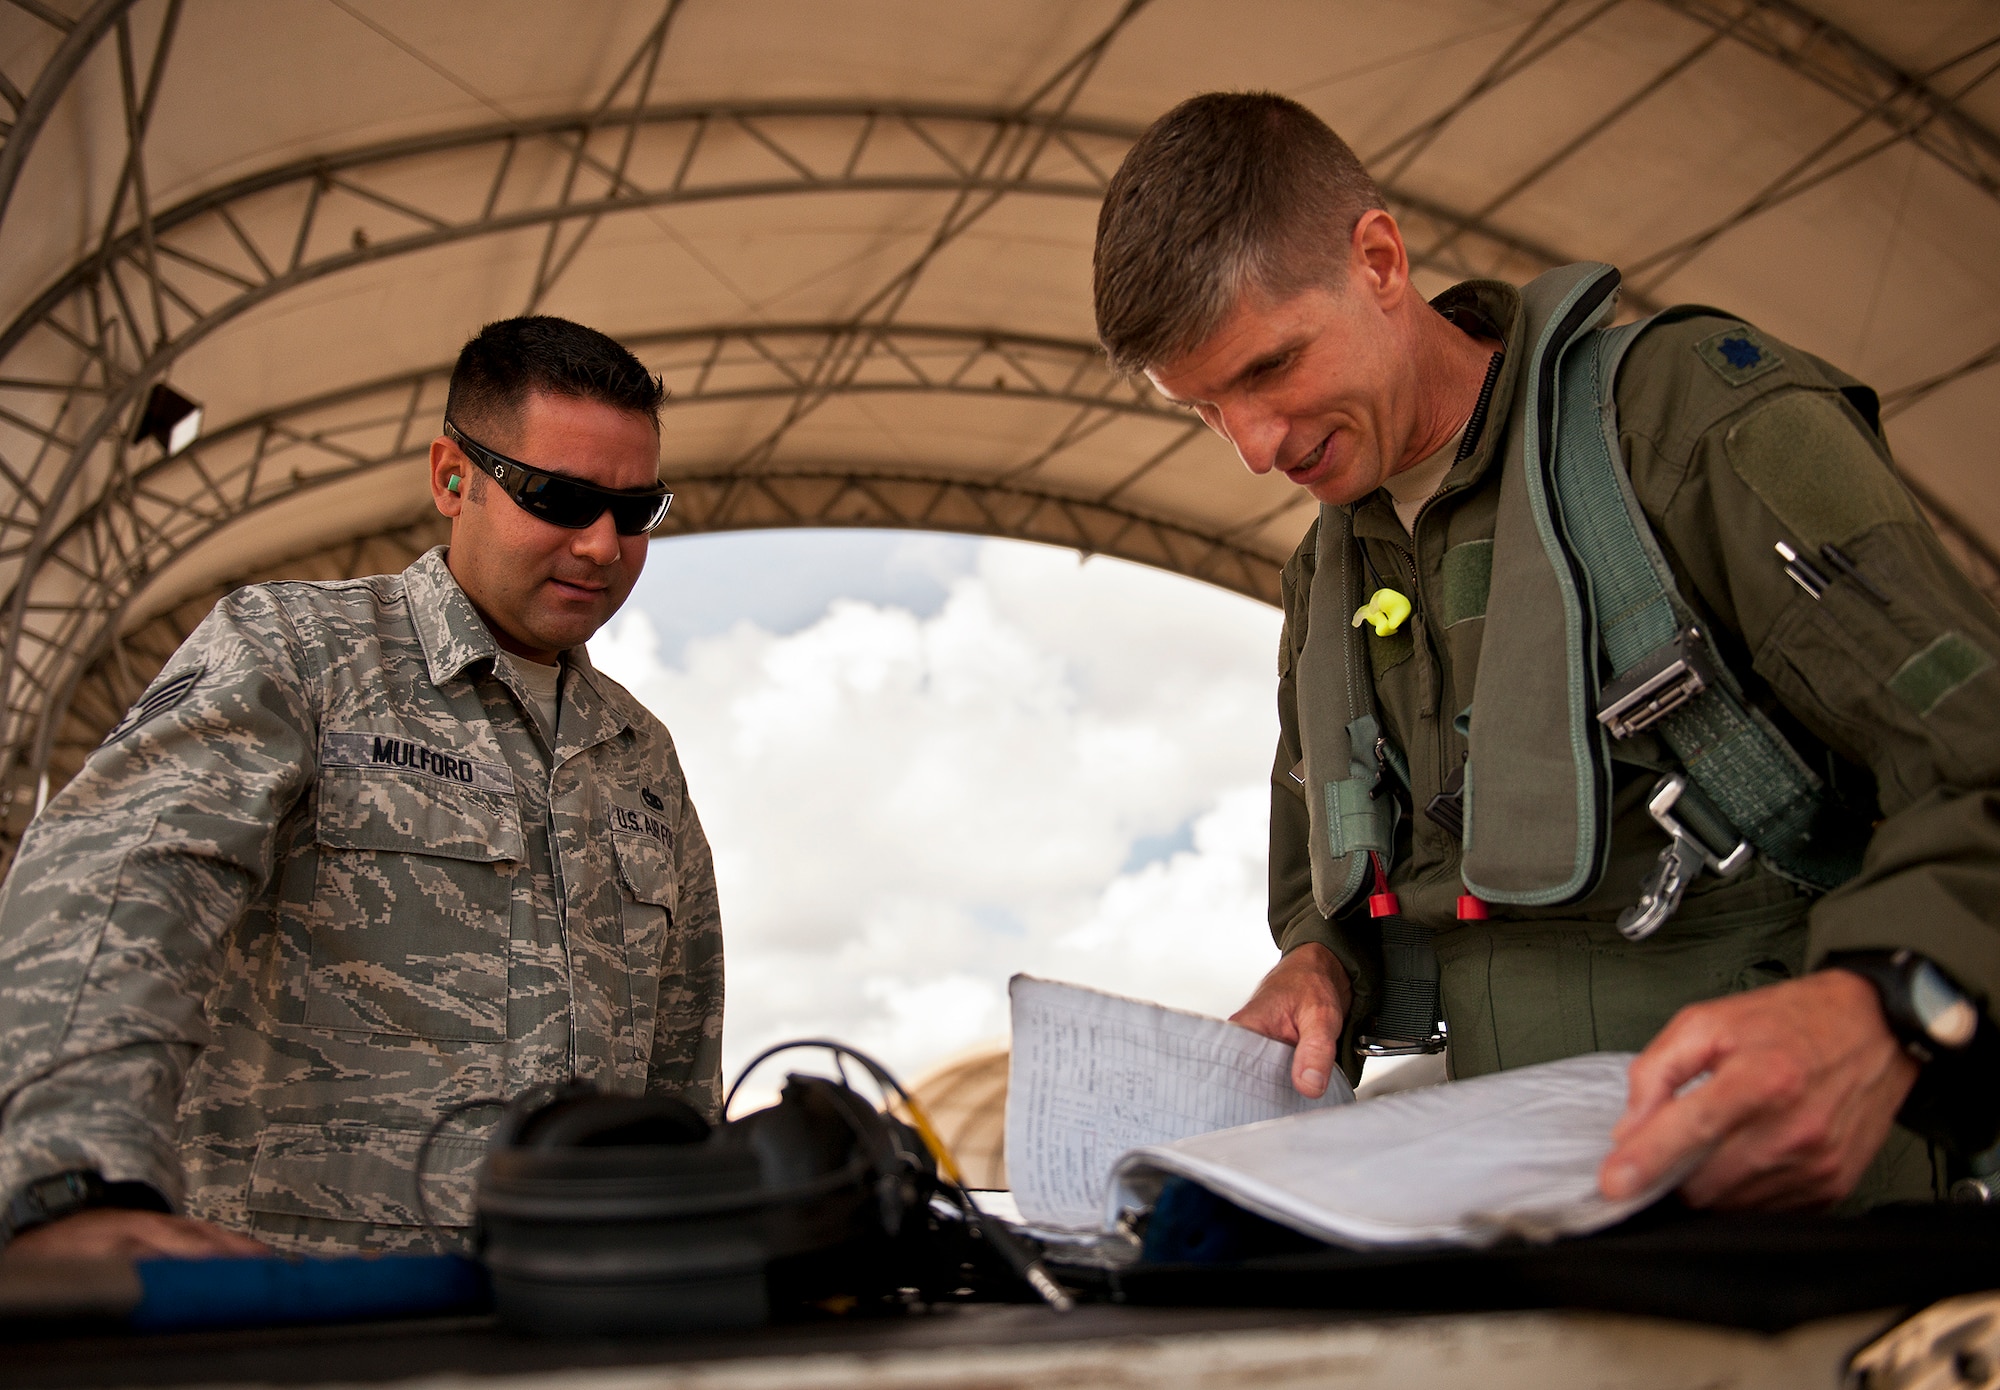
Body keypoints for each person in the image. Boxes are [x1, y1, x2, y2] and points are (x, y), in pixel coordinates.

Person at [1093, 93, 2000, 1210]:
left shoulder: (1682, 423)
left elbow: (1975, 754)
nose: (1251, 449)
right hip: (1510, 1223)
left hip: (1799, 1205)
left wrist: (1884, 1004)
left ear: (1377, 259)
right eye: (1202, 409)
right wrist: (1322, 965)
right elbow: (1332, 886)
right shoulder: (1326, 578)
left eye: (1270, 367)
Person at [0, 316, 722, 1259]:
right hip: (312, 1312)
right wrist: (74, 1184)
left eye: (634, 512)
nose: (599, 545)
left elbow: (680, 1058)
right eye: (557, 497)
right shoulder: (297, 655)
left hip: (575, 1306)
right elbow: (117, 888)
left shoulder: (637, 754)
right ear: (451, 479)